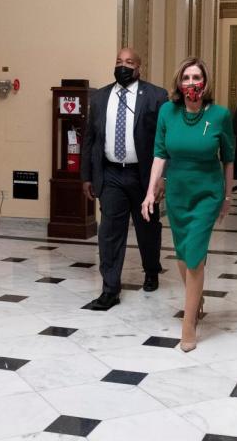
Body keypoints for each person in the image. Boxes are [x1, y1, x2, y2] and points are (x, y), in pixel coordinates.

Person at [141, 58, 234, 352]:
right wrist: (150, 192)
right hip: (178, 192)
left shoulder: (220, 115)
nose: (191, 83)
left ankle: (189, 322)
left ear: (205, 82)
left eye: (196, 77)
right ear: (179, 82)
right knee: (182, 254)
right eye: (186, 77)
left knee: (194, 254)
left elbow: (228, 158)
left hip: (207, 193)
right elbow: (159, 154)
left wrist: (227, 196)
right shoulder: (168, 112)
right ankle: (197, 297)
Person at [81, 48, 167, 310]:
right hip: (110, 174)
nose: (123, 66)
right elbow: (90, 139)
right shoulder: (100, 97)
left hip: (143, 175)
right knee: (109, 232)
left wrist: (162, 178)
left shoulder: (156, 96)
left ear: (139, 67)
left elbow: (165, 139)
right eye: (119, 61)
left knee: (147, 228)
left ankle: (151, 270)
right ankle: (110, 289)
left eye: (129, 62)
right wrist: (87, 176)